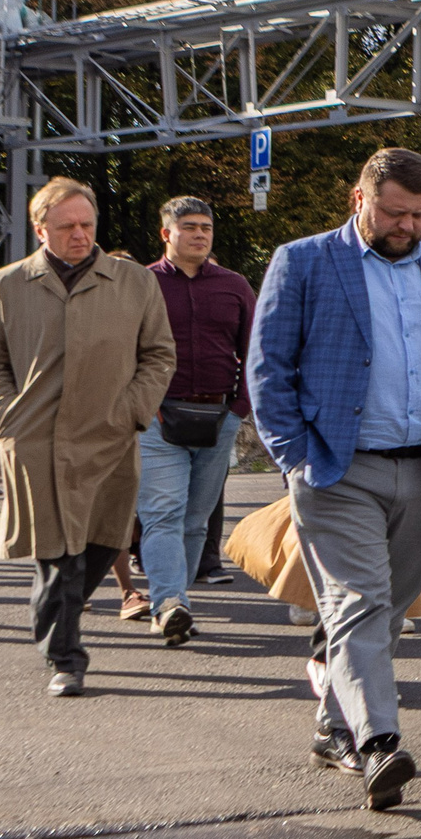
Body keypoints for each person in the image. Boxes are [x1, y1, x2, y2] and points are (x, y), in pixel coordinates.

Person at [248, 148, 421, 808]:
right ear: (359, 199)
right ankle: (380, 743)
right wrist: (294, 455)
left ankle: (335, 728)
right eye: (393, 212)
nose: (406, 225)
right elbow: (268, 368)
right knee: (356, 603)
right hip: (337, 469)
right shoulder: (302, 262)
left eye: (419, 214)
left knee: (384, 613)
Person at [0, 176, 177, 698]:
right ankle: (67, 656)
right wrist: (4, 417)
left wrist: (132, 409)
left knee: (105, 540)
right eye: (67, 227)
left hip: (110, 435)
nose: (80, 235)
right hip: (36, 439)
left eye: (87, 224)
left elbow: (159, 354)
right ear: (41, 229)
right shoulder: (5, 285)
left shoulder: (133, 282)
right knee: (56, 551)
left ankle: (52, 618)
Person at [135, 195, 256, 648]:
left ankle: (175, 601)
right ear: (167, 234)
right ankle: (169, 603)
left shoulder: (234, 285)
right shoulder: (141, 284)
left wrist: (240, 408)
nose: (200, 234)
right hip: (157, 417)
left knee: (195, 519)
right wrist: (137, 405)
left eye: (206, 227)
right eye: (189, 227)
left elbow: (255, 347)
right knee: (162, 513)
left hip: (218, 417)